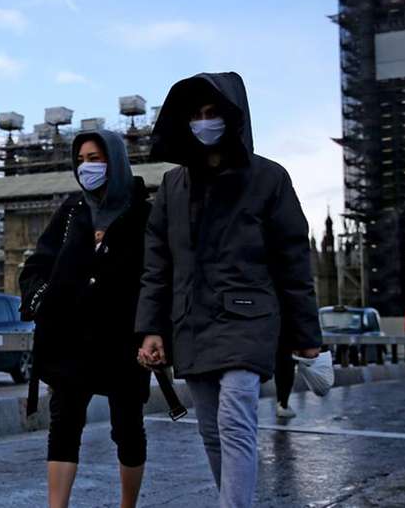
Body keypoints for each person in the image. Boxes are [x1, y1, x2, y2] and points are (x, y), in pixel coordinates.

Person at [134, 72, 322, 508]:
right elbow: (157, 266)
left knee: (235, 424)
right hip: (192, 323)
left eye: (212, 113)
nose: (204, 122)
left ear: (233, 117)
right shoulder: (172, 187)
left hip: (247, 320)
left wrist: (307, 337)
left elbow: (293, 263)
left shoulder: (269, 178)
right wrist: (151, 329)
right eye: (196, 115)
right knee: (211, 432)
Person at [18, 129, 151, 508]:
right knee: (63, 427)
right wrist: (41, 301)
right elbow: (37, 266)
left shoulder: (143, 214)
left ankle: (128, 505)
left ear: (115, 161)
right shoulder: (72, 210)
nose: (85, 167)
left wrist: (152, 331)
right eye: (80, 160)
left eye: (95, 159)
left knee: (127, 428)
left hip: (122, 340)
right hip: (69, 338)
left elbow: (158, 276)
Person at [273, 341, 297, 419]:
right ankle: (283, 404)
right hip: (288, 343)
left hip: (277, 342)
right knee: (287, 370)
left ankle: (281, 403)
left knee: (279, 367)